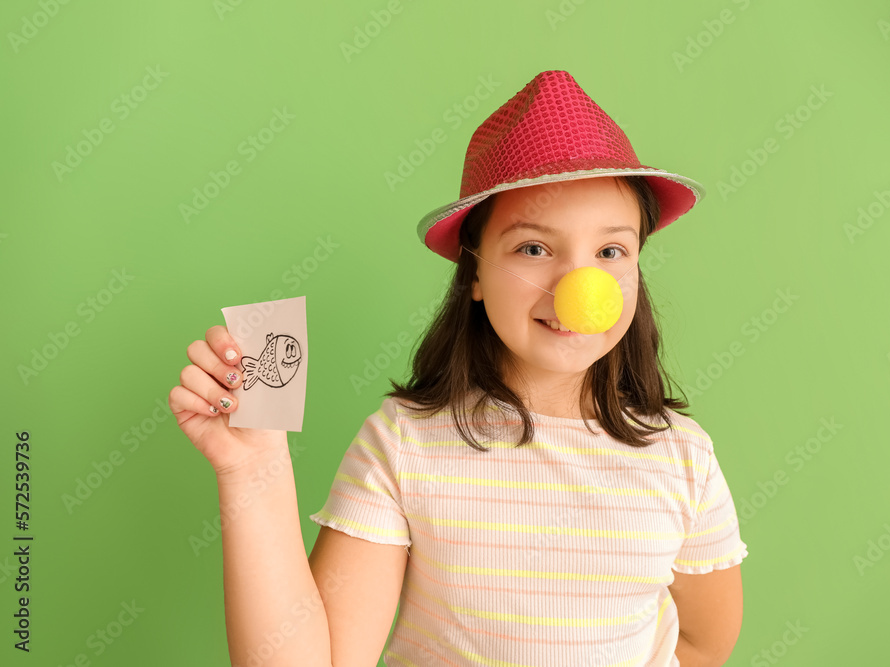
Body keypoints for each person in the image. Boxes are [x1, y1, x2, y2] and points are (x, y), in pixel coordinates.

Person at [169, 70, 747, 666]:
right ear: (473, 273)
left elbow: (702, 644)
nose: (580, 287)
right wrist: (252, 466)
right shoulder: (403, 443)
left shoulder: (683, 458)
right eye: (533, 248)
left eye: (609, 252)